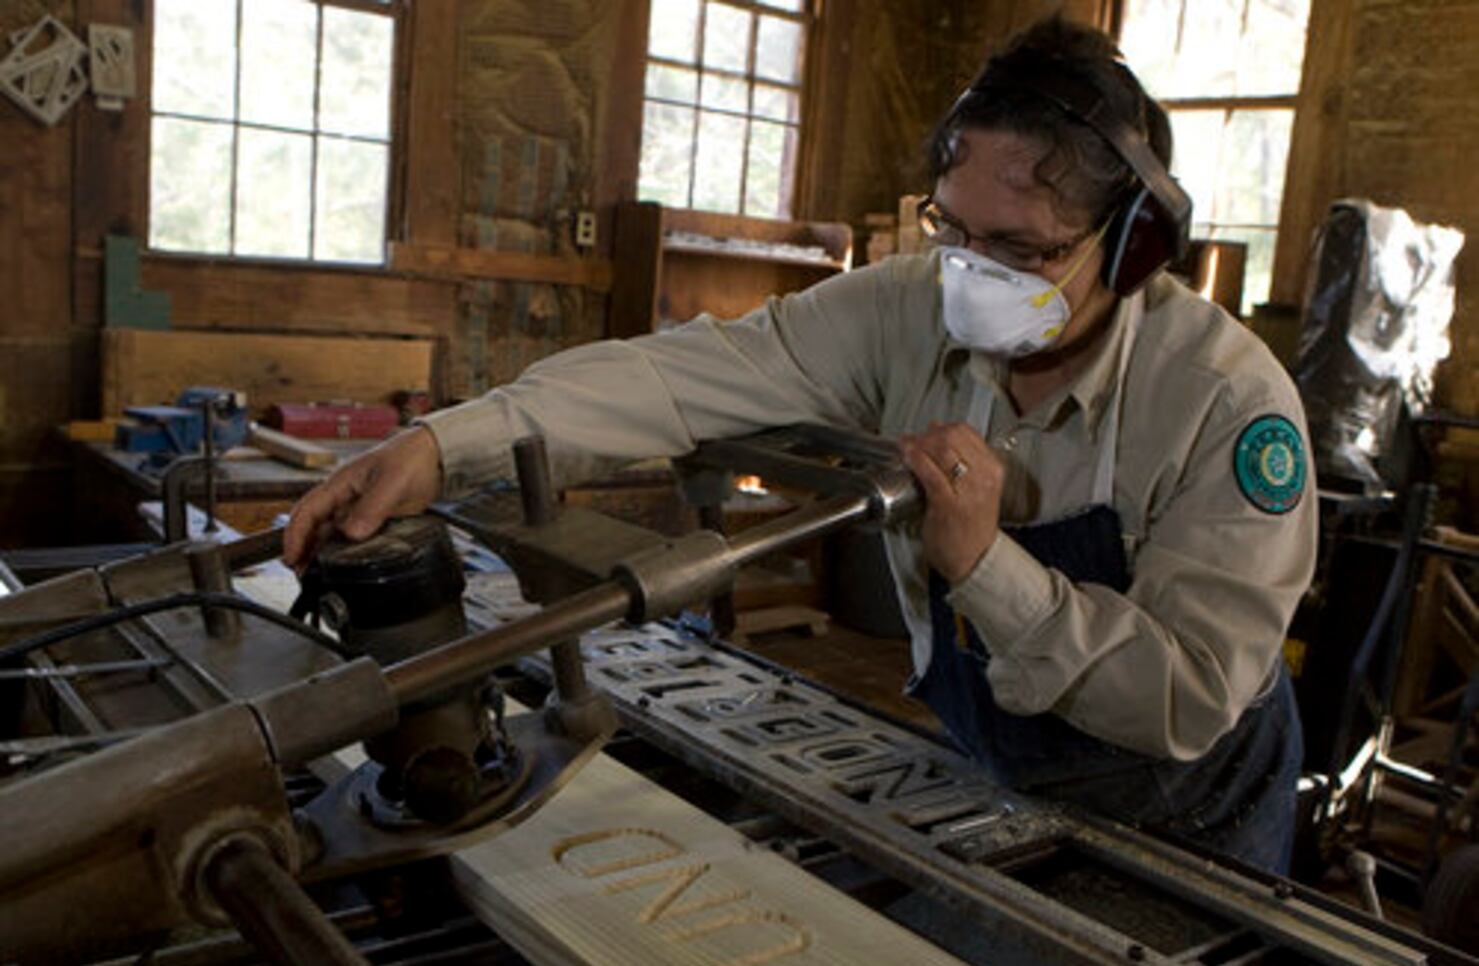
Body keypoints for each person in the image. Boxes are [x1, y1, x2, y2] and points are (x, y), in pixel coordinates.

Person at [286, 18, 1316, 873]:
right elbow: (679, 376)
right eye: (954, 232)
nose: (972, 276)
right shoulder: (913, 308)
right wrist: (441, 443)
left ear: (1132, 243)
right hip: (1001, 777)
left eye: (1022, 250)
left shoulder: (1225, 407)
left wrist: (986, 567)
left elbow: (1186, 697)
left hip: (1189, 814)